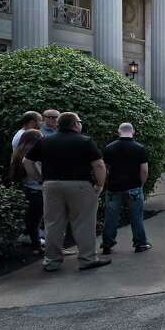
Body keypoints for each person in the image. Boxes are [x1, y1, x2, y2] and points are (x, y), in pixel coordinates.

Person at [23, 112, 110, 272]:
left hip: (51, 185)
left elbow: (27, 161)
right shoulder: (85, 141)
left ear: (59, 124)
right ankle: (87, 259)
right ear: (75, 124)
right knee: (84, 223)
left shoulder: (45, 141)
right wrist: (100, 184)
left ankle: (52, 261)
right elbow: (99, 165)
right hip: (80, 185)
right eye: (79, 121)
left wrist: (40, 178)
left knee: (53, 223)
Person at [101, 123, 151, 255]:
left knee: (111, 217)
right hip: (133, 186)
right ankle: (140, 243)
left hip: (113, 187)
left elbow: (104, 169)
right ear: (133, 131)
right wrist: (140, 184)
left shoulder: (109, 148)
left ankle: (107, 244)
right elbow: (144, 170)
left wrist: (106, 183)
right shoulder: (139, 148)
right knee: (136, 216)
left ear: (118, 132)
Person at [10, 128, 44, 250]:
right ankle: (37, 246)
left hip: (27, 188)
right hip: (39, 190)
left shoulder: (18, 152)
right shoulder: (34, 154)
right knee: (37, 220)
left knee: (31, 219)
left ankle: (35, 244)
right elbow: (39, 174)